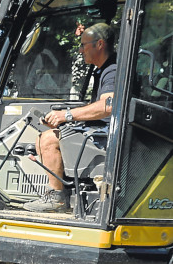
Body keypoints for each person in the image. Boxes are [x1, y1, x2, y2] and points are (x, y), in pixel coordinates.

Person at [24, 23, 116, 213]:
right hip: (102, 131)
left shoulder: (113, 71)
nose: (80, 50)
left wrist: (66, 115)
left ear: (99, 44)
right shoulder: (103, 70)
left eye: (84, 45)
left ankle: (57, 198)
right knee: (52, 134)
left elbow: (109, 105)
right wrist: (67, 118)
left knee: (47, 139)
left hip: (108, 136)